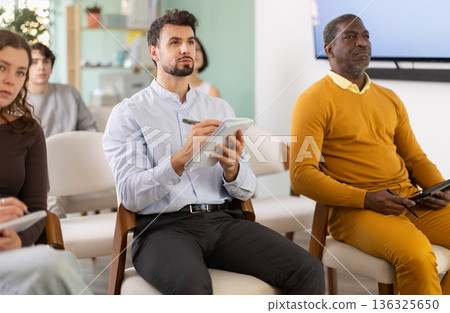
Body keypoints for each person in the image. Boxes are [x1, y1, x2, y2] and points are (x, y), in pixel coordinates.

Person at [103, 9, 324, 295]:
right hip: (162, 229)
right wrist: (180, 159)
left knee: (307, 268)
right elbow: (130, 194)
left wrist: (234, 171)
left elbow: (245, 191)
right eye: (174, 42)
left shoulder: (219, 109)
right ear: (154, 52)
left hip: (222, 222)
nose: (186, 48)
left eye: (190, 41)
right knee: (193, 287)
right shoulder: (128, 113)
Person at [289, 14, 450, 295]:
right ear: (329, 49)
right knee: (418, 255)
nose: (362, 42)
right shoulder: (312, 101)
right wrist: (366, 198)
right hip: (356, 211)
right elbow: (302, 175)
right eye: (350, 37)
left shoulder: (389, 98)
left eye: (365, 36)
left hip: (408, 199)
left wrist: (438, 188)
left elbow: (415, 158)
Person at [0, 29, 91, 295]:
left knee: (56, 263)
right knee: (50, 266)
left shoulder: (28, 131)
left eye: (19, 72)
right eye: (2, 67)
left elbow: (38, 209)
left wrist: (19, 240)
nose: (10, 80)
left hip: (10, 248)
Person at [28, 42, 97, 138]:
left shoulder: (70, 92)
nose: (41, 67)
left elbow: (89, 128)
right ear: (25, 68)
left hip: (72, 149)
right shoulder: (18, 100)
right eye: (34, 62)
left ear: (51, 68)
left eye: (46, 61)